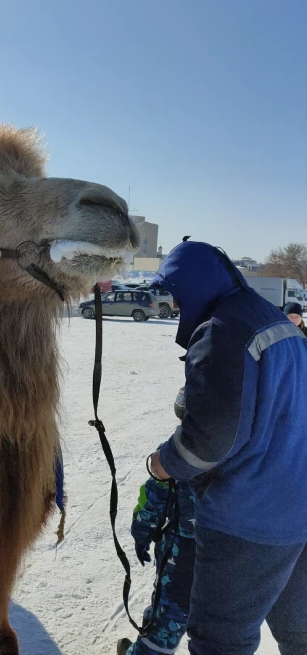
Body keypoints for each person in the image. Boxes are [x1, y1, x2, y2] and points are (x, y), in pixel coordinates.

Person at [147, 240, 307, 655]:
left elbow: (210, 438)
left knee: (220, 640)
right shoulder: (278, 321)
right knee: (299, 634)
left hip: (249, 520)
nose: (179, 308)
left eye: (179, 297)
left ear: (194, 286)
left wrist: (162, 463)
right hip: (298, 511)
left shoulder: (222, 330)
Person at [118, 388, 196, 655]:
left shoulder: (177, 455)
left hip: (183, 558)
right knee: (223, 630)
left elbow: (152, 499)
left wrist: (141, 533)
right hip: (235, 554)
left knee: (165, 625)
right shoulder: (246, 448)